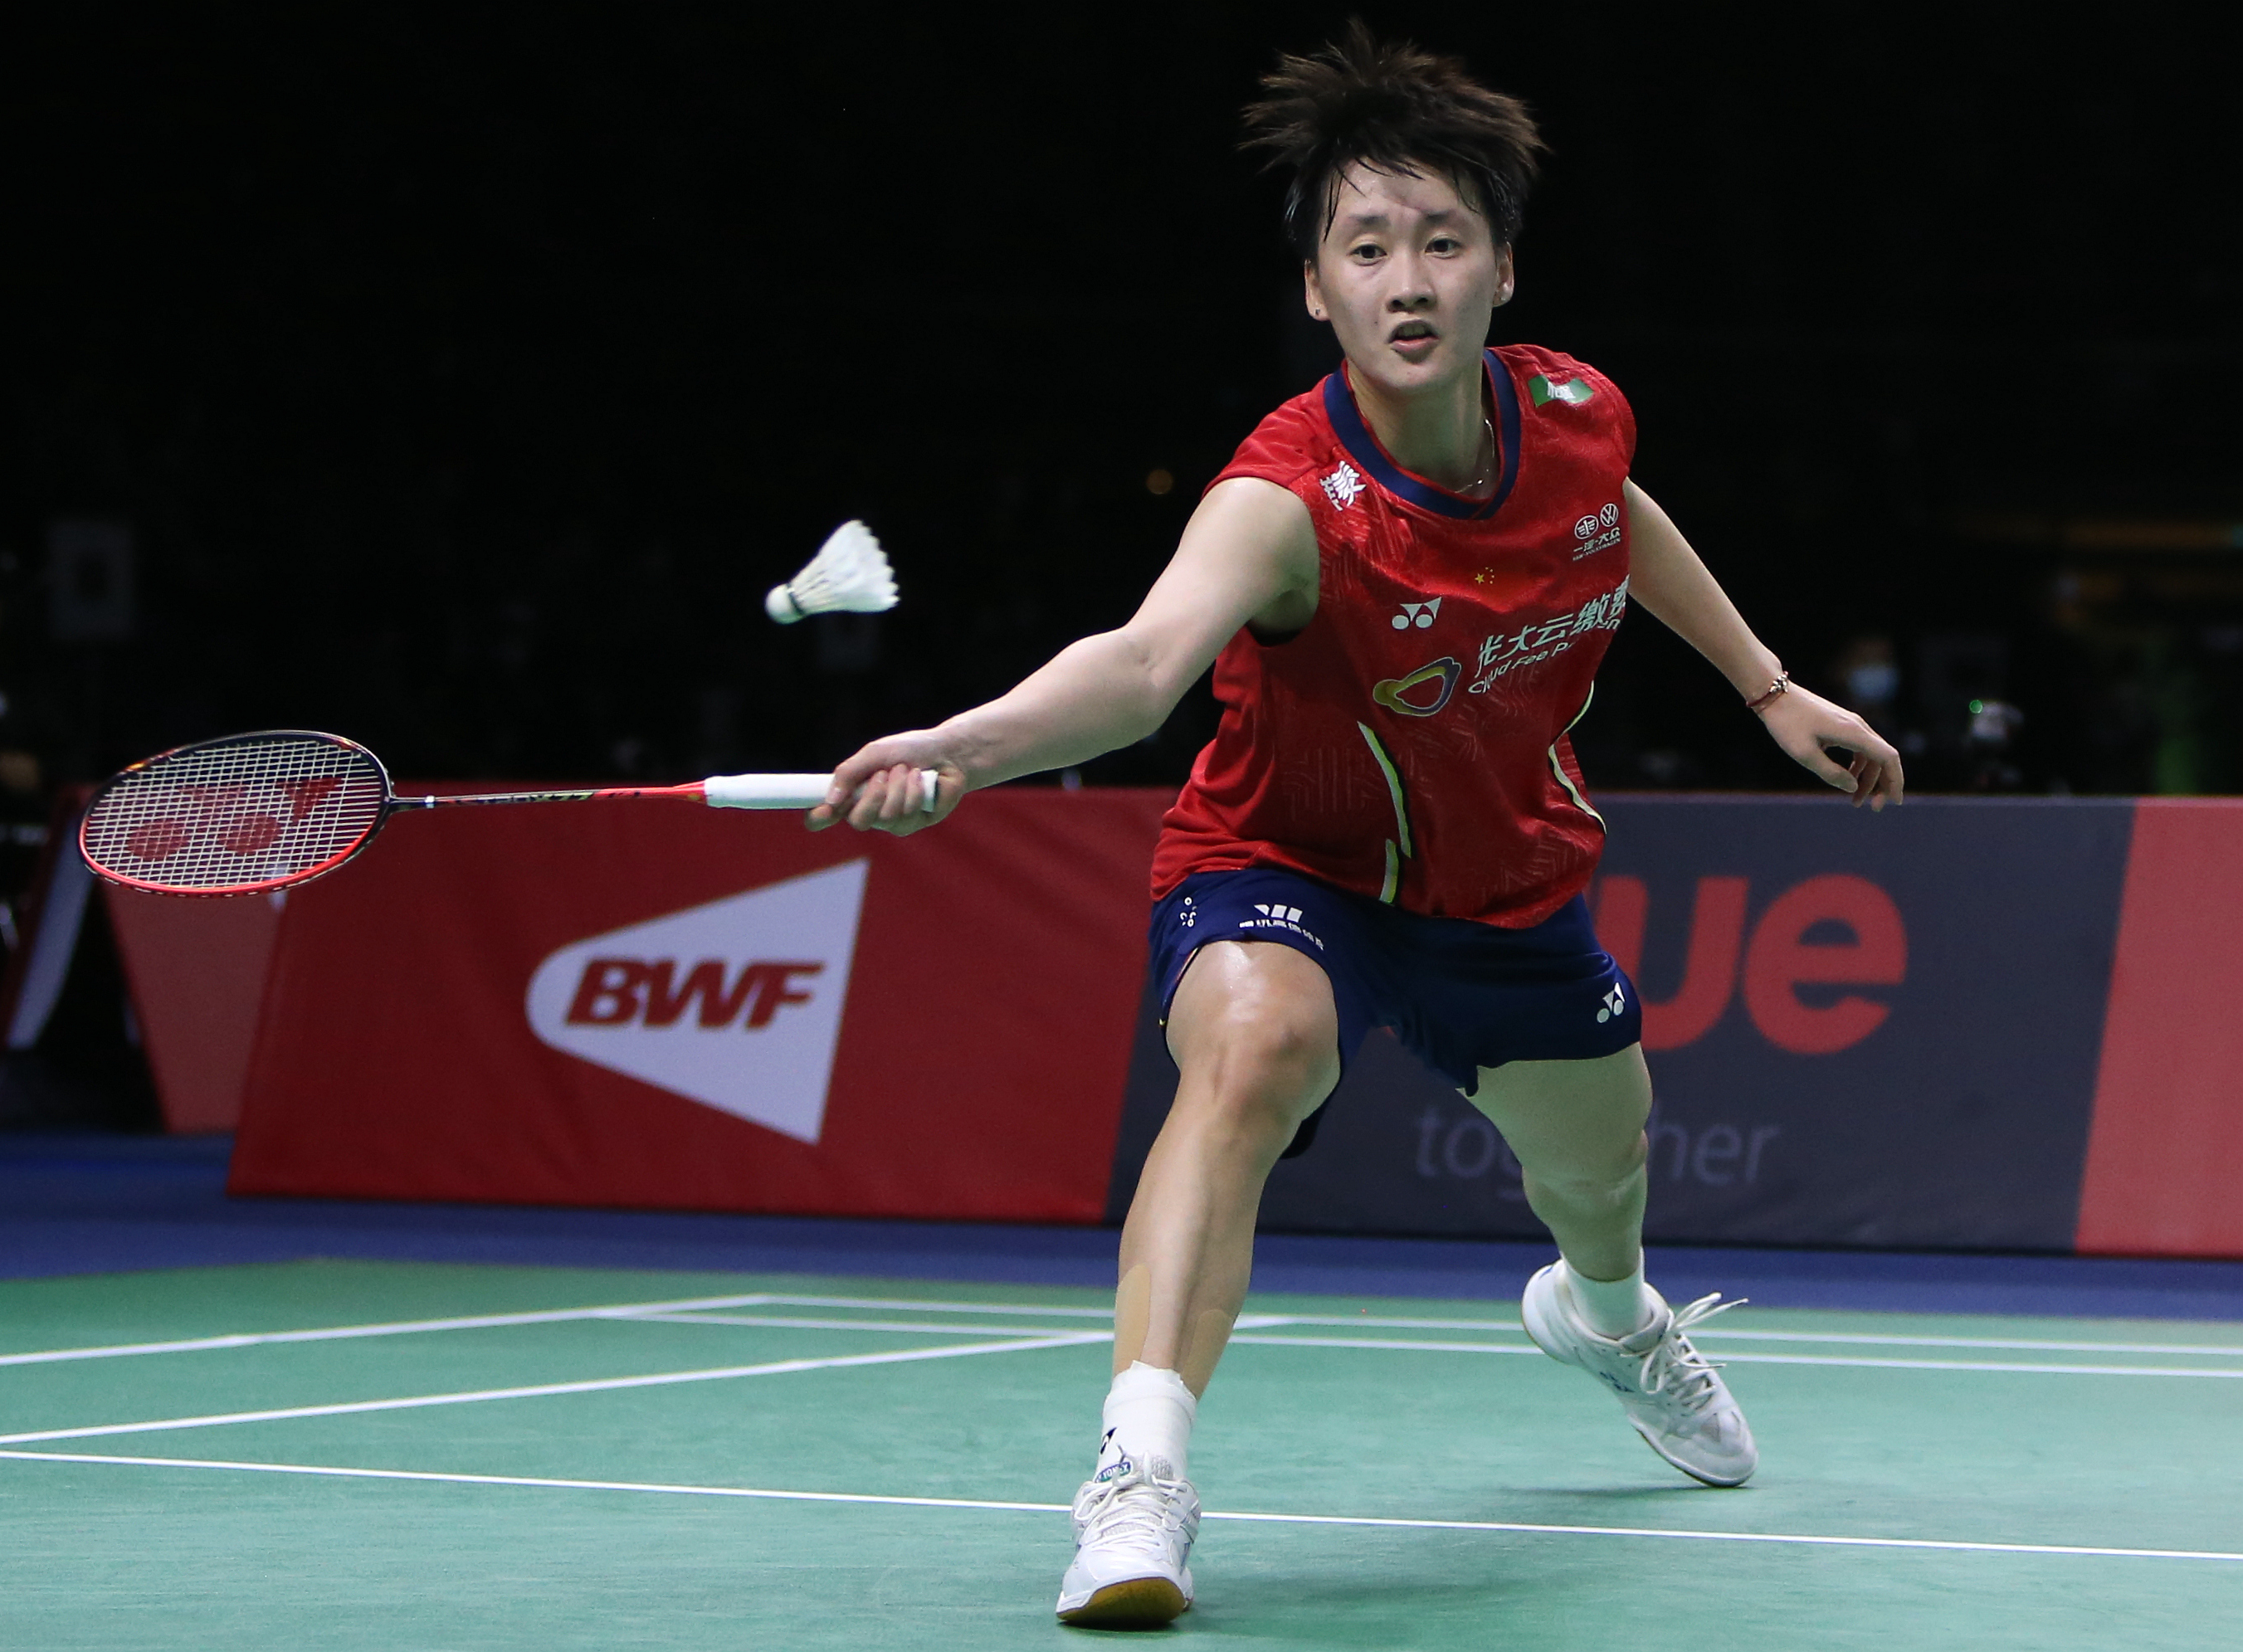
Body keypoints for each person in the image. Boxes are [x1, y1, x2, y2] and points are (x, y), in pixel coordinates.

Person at [809, 26, 1903, 1630]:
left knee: (1600, 1173)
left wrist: (1765, 685)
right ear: (1317, 289)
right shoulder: (1281, 499)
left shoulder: (1577, 411)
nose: (1407, 280)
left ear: (1501, 271)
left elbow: (1614, 520)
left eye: (1441, 243)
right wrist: (961, 751)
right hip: (1285, 859)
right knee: (1251, 1055)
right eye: (1366, 248)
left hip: (1504, 877)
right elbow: (1141, 668)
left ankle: (1605, 1319)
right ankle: (1136, 1478)